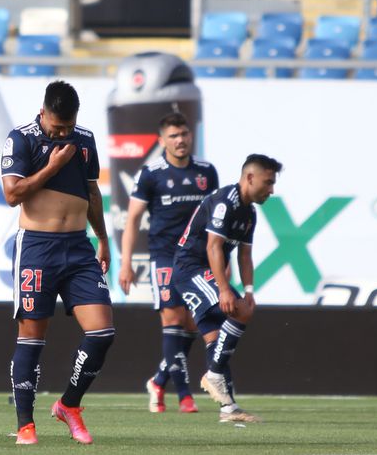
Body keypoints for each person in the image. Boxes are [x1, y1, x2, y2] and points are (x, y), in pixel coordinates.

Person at [1, 80, 115, 445]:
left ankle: (69, 405)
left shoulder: (85, 140)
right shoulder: (21, 139)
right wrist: (52, 167)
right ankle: (26, 426)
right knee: (32, 337)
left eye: (69, 126)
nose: (63, 133)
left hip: (78, 247)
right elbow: (12, 194)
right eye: (57, 126)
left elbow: (92, 191)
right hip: (37, 247)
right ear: (43, 112)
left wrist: (103, 238)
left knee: (102, 332)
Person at [118, 112, 218, 414]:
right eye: (173, 136)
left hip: (198, 258)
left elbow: (216, 220)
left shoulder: (206, 171)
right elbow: (132, 219)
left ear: (191, 136)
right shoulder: (151, 174)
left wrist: (222, 259)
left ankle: (159, 380)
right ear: (162, 141)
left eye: (184, 134)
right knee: (173, 319)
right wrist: (126, 262)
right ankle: (185, 396)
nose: (180, 140)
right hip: (164, 256)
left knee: (192, 323)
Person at [172, 154, 282, 422]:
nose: (271, 190)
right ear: (250, 178)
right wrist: (223, 289)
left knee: (216, 339)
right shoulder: (225, 201)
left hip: (205, 271)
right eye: (268, 182)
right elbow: (213, 247)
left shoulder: (250, 213)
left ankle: (228, 408)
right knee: (240, 311)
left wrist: (249, 290)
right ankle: (213, 375)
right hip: (190, 268)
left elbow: (245, 255)